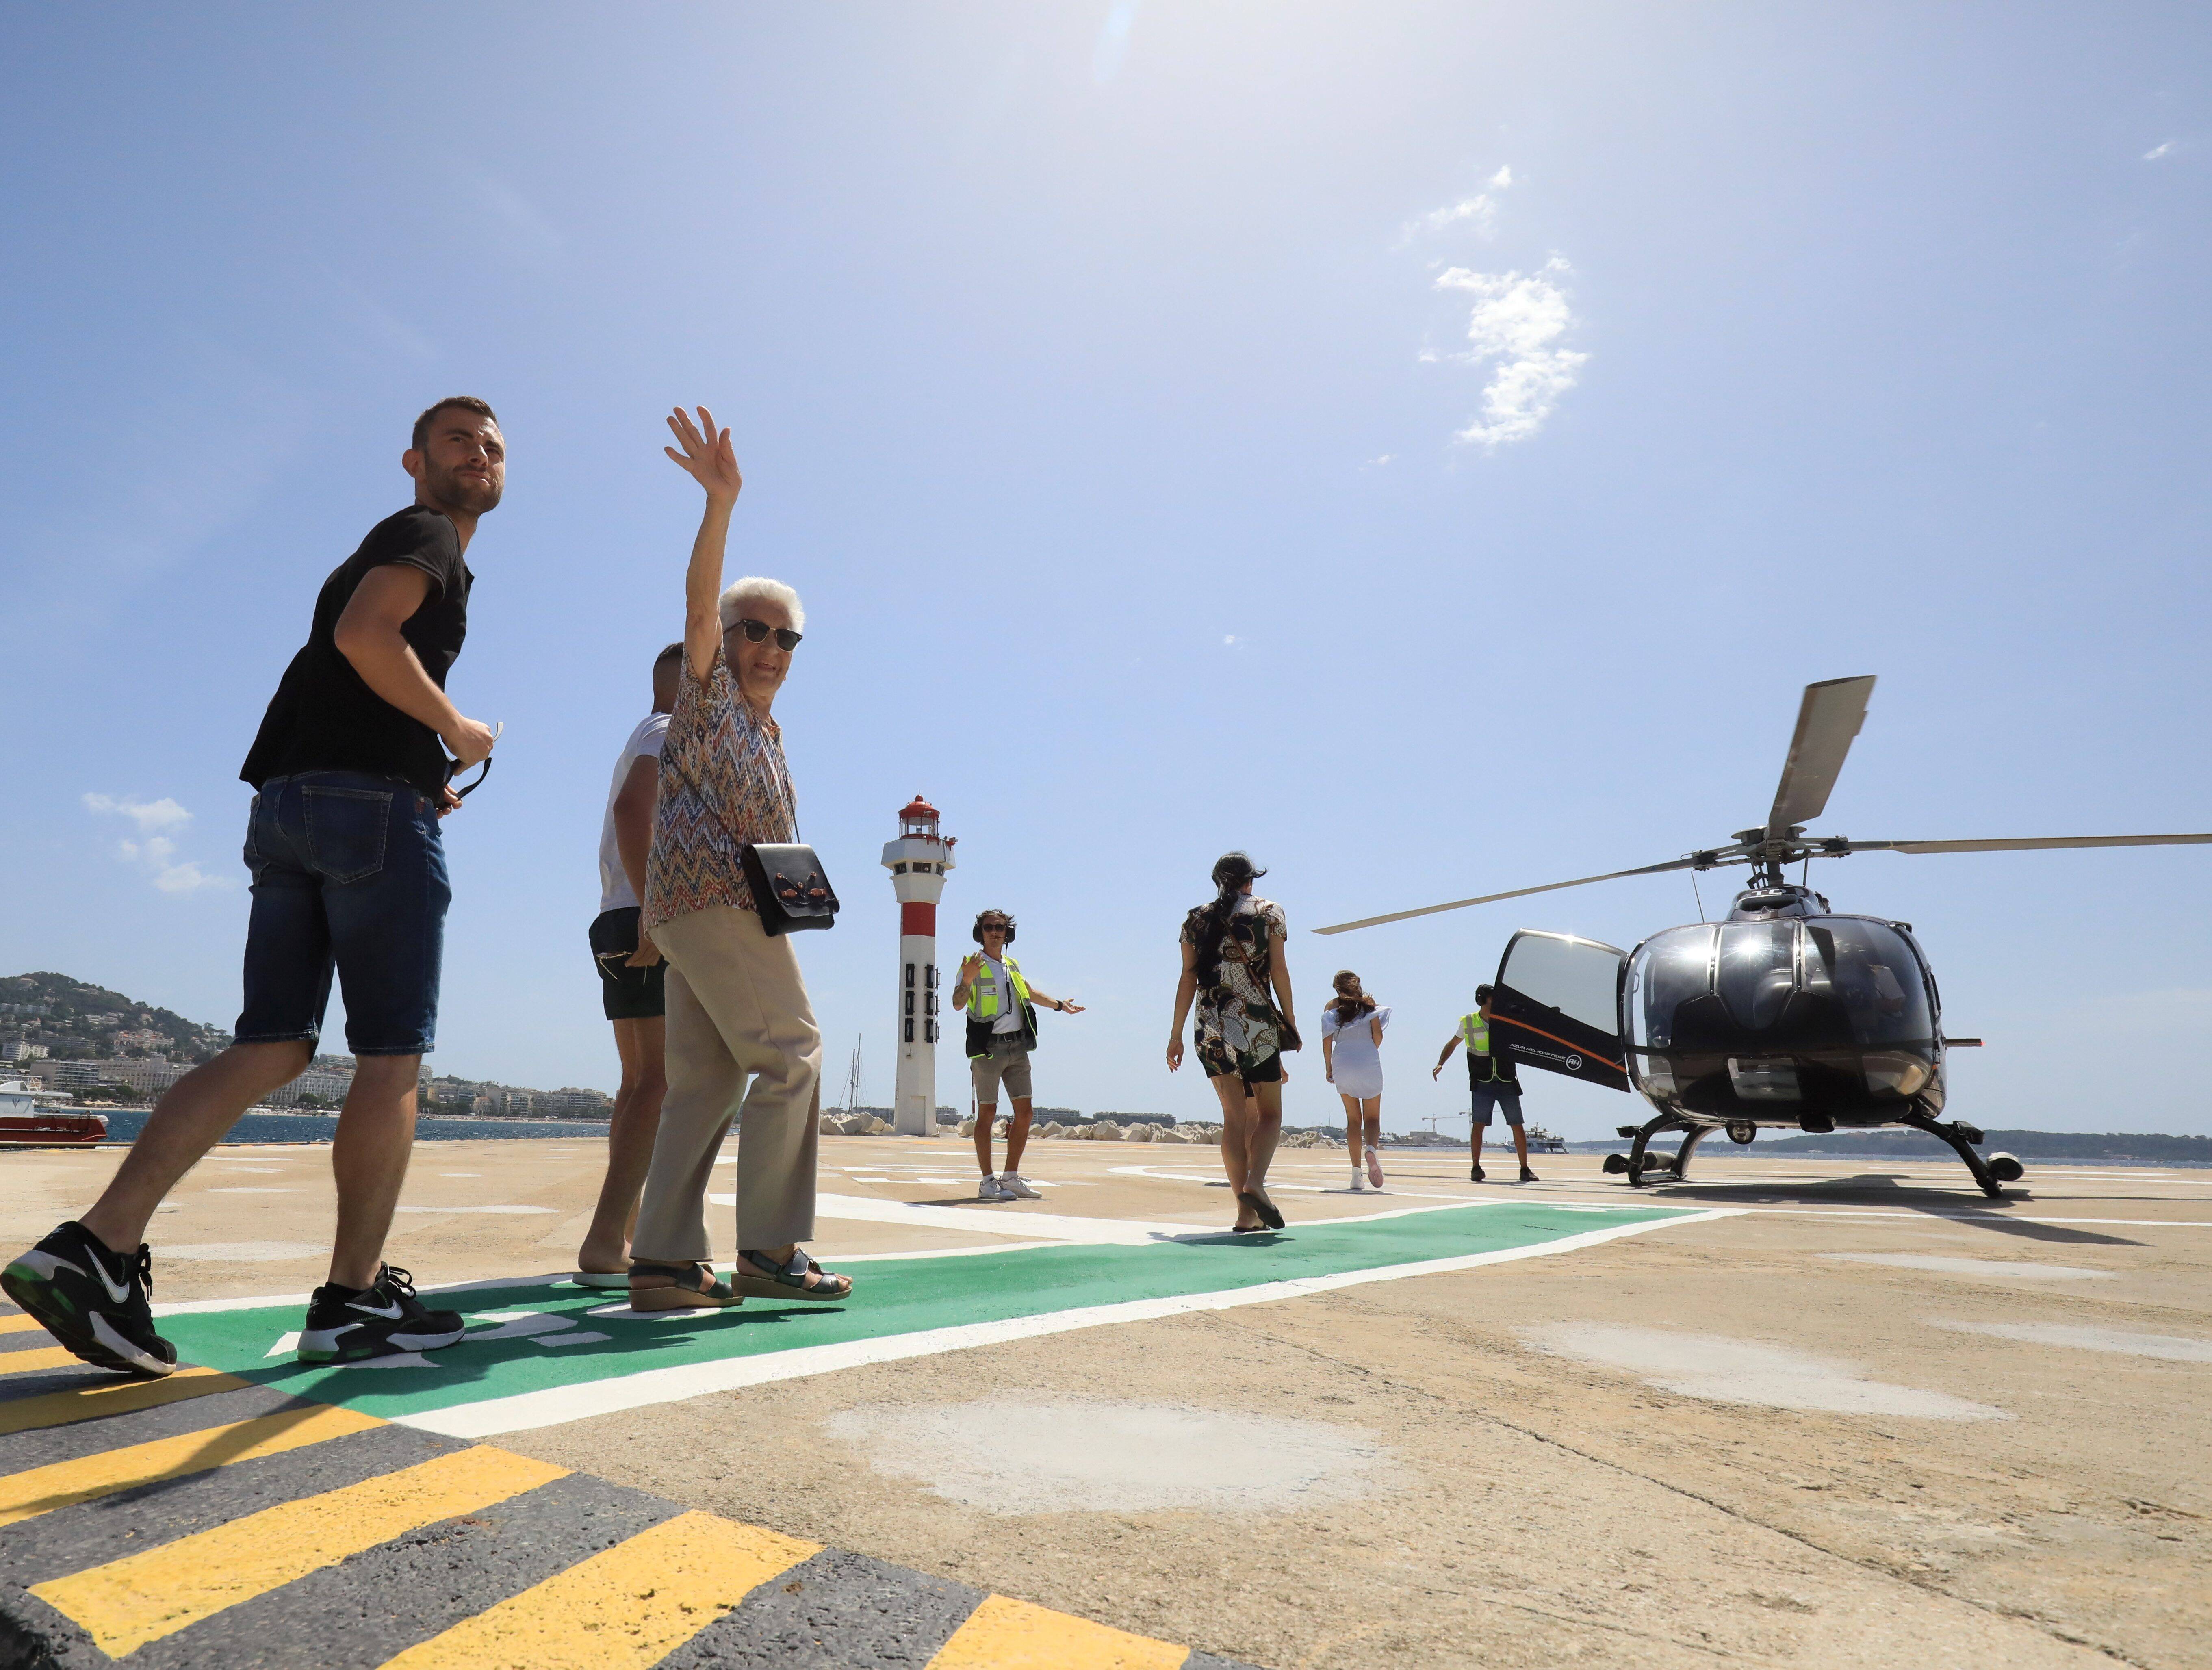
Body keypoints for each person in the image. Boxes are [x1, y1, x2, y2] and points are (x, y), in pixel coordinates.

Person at [2, 399, 507, 1372]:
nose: (478, 453)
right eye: (458, 439)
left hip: (291, 803)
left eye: (491, 444)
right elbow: (370, 637)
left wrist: (412, 769)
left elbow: (342, 671)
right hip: (362, 811)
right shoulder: (425, 532)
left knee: (272, 1045)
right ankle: (353, 1301)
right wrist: (456, 731)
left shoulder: (397, 544)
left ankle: (97, 1245)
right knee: (392, 1059)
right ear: (414, 460)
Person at [627, 405, 850, 1312]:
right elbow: (696, 606)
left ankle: (665, 1263)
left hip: (693, 913)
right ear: (723, 644)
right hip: (713, 902)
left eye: (783, 637)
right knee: (794, 1052)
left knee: (707, 1082)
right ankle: (768, 1250)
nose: (767, 648)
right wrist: (721, 503)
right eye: (751, 631)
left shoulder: (772, 733)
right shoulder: (707, 700)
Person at [575, 641, 683, 1285]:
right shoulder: (669, 729)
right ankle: (606, 1239)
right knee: (659, 1083)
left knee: (638, 1082)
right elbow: (630, 811)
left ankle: (631, 1231)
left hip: (617, 914)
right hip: (644, 915)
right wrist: (655, 907)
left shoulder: (640, 730)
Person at [1167, 852, 1299, 1233]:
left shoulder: (1195, 919)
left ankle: (1245, 1216)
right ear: (1250, 880)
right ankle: (1255, 1184)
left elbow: (1187, 980)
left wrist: (1175, 1036)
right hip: (1256, 1025)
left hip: (1210, 1025)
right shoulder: (1270, 912)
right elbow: (1278, 971)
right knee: (1271, 1114)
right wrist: (1289, 1023)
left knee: (1234, 1119)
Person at [952, 909, 1084, 1201]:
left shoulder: (1012, 965)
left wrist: (1061, 1005)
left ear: (1007, 933)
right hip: (988, 1050)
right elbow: (958, 1004)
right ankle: (987, 1182)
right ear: (980, 933)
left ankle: (1010, 1177)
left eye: (1000, 927)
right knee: (987, 1113)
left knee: (1025, 1113)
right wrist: (966, 980)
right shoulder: (972, 965)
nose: (995, 932)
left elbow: (1030, 993)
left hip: (1018, 1049)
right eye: (989, 928)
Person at [1432, 984, 1537, 1182]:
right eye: (1494, 999)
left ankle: (1525, 1169)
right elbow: (1452, 1044)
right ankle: (1476, 1168)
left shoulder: (1506, 1021)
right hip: (1482, 1082)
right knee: (1478, 1125)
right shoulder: (1468, 1022)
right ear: (1484, 1000)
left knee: (1517, 1125)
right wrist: (1440, 1064)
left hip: (1507, 1080)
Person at [1321, 970, 1389, 1192]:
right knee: (1373, 1118)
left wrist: (1329, 1069)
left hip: (1343, 1061)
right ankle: (1371, 1149)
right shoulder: (1369, 1004)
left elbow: (1326, 1041)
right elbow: (1377, 1036)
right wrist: (1368, 1051)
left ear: (1336, 987)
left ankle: (1356, 1175)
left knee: (1353, 1121)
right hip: (1368, 1059)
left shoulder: (1331, 1006)